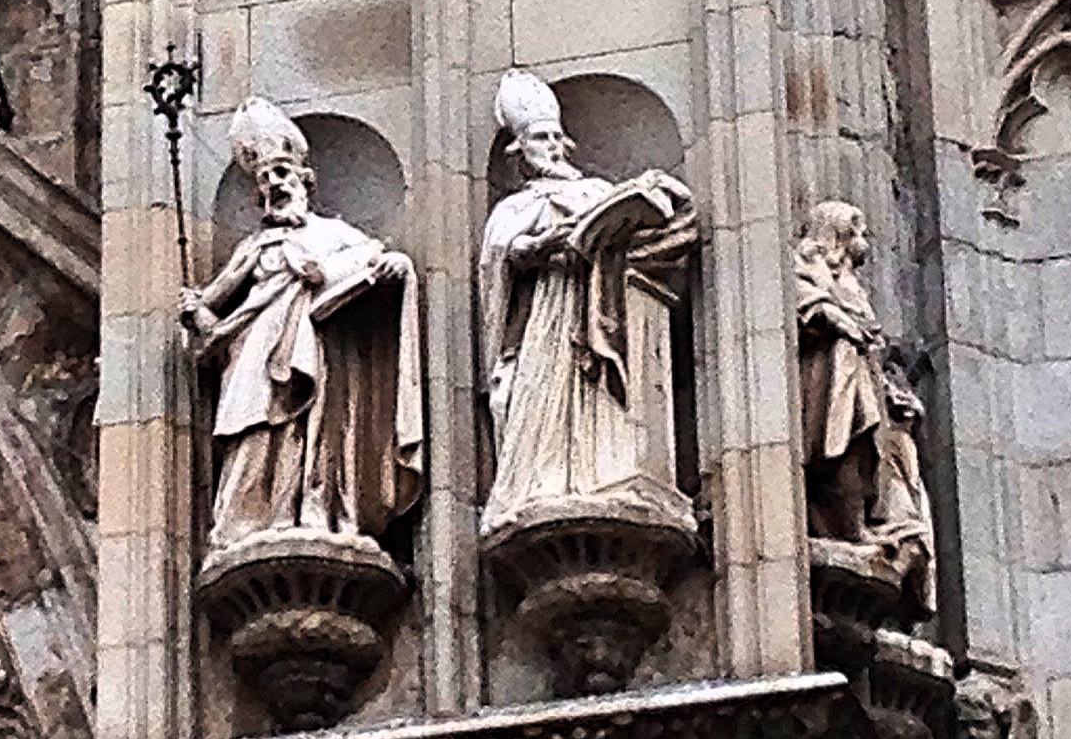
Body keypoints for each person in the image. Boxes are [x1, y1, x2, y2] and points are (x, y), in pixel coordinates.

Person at [178, 100, 423, 557]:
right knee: (256, 433)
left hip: (320, 356)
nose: (275, 185)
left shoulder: (337, 235)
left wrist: (392, 266)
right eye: (266, 180)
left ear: (304, 181)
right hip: (254, 354)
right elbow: (213, 300)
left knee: (317, 434)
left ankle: (319, 509)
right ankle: (246, 524)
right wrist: (194, 309)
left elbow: (374, 264)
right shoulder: (256, 246)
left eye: (283, 176)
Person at [475, 71, 697, 537]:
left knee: (590, 390)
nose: (552, 146)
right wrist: (542, 244)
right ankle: (542, 485)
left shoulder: (593, 191)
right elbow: (502, 261)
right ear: (520, 152)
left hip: (596, 302)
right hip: (545, 315)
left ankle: (599, 474)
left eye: (557, 137)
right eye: (540, 138)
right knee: (534, 394)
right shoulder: (511, 210)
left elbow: (643, 231)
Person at [795, 201, 936, 609]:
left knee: (870, 452)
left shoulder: (850, 280)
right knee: (849, 446)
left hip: (862, 376)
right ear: (837, 234)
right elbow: (807, 302)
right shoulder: (810, 262)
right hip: (831, 379)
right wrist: (843, 324)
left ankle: (860, 526)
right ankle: (848, 527)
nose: (865, 242)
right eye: (857, 232)